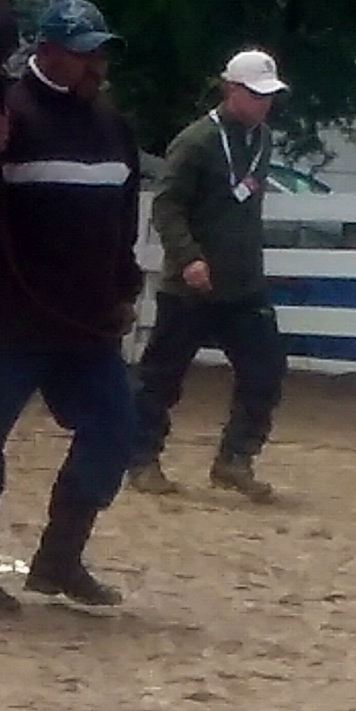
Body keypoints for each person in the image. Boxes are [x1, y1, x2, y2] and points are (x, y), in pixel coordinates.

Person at [0, 0, 142, 613]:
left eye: (100, 53)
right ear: (46, 52)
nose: (96, 64)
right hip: (2, 320)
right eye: (84, 53)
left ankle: (59, 559)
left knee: (116, 430)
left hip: (84, 325)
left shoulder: (114, 126)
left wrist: (124, 288)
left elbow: (122, 219)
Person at [129, 50, 289, 503]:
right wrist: (188, 257)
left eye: (269, 96)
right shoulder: (196, 142)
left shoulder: (263, 140)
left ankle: (236, 458)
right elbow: (167, 204)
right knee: (162, 376)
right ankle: (141, 459)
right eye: (256, 94)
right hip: (190, 287)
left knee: (266, 370)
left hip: (244, 284)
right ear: (231, 89)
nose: (264, 104)